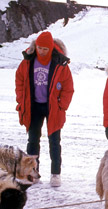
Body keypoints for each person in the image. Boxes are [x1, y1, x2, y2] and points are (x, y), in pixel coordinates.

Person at [15, 31, 74, 187]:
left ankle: (55, 174)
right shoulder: (28, 61)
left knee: (54, 141)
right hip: (33, 106)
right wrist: (21, 100)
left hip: (53, 108)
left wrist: (62, 106)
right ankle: (32, 173)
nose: (41, 51)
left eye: (44, 49)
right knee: (32, 140)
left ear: (50, 48)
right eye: (39, 48)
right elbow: (19, 81)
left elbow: (68, 88)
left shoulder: (60, 63)